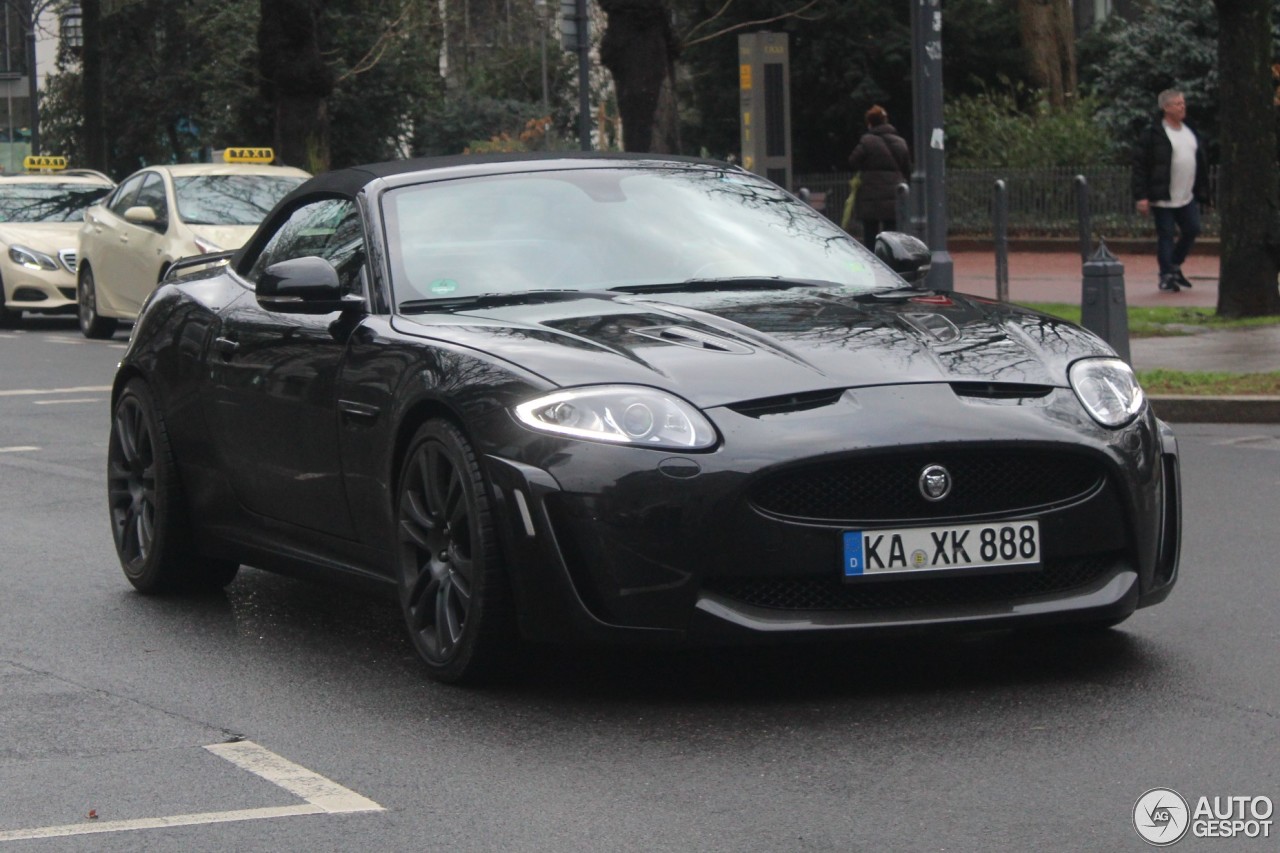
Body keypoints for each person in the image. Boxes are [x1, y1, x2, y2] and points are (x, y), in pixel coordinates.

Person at [1132, 89, 1210, 292]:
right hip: (1163, 196)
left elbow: (1200, 159)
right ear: (1166, 108)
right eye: (1177, 104)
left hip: (1186, 195)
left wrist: (1202, 188)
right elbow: (1140, 165)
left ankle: (1174, 264)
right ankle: (1165, 275)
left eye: (1183, 103)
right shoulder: (1153, 133)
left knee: (1192, 229)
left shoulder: (1190, 129)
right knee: (1165, 235)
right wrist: (1141, 196)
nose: (1182, 107)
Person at [847, 105, 912, 247]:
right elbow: (907, 168)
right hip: (893, 195)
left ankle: (873, 261)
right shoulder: (900, 142)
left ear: (870, 123)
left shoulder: (866, 141)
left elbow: (853, 161)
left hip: (870, 196)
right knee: (892, 235)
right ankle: (889, 262)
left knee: (870, 233)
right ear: (885, 121)